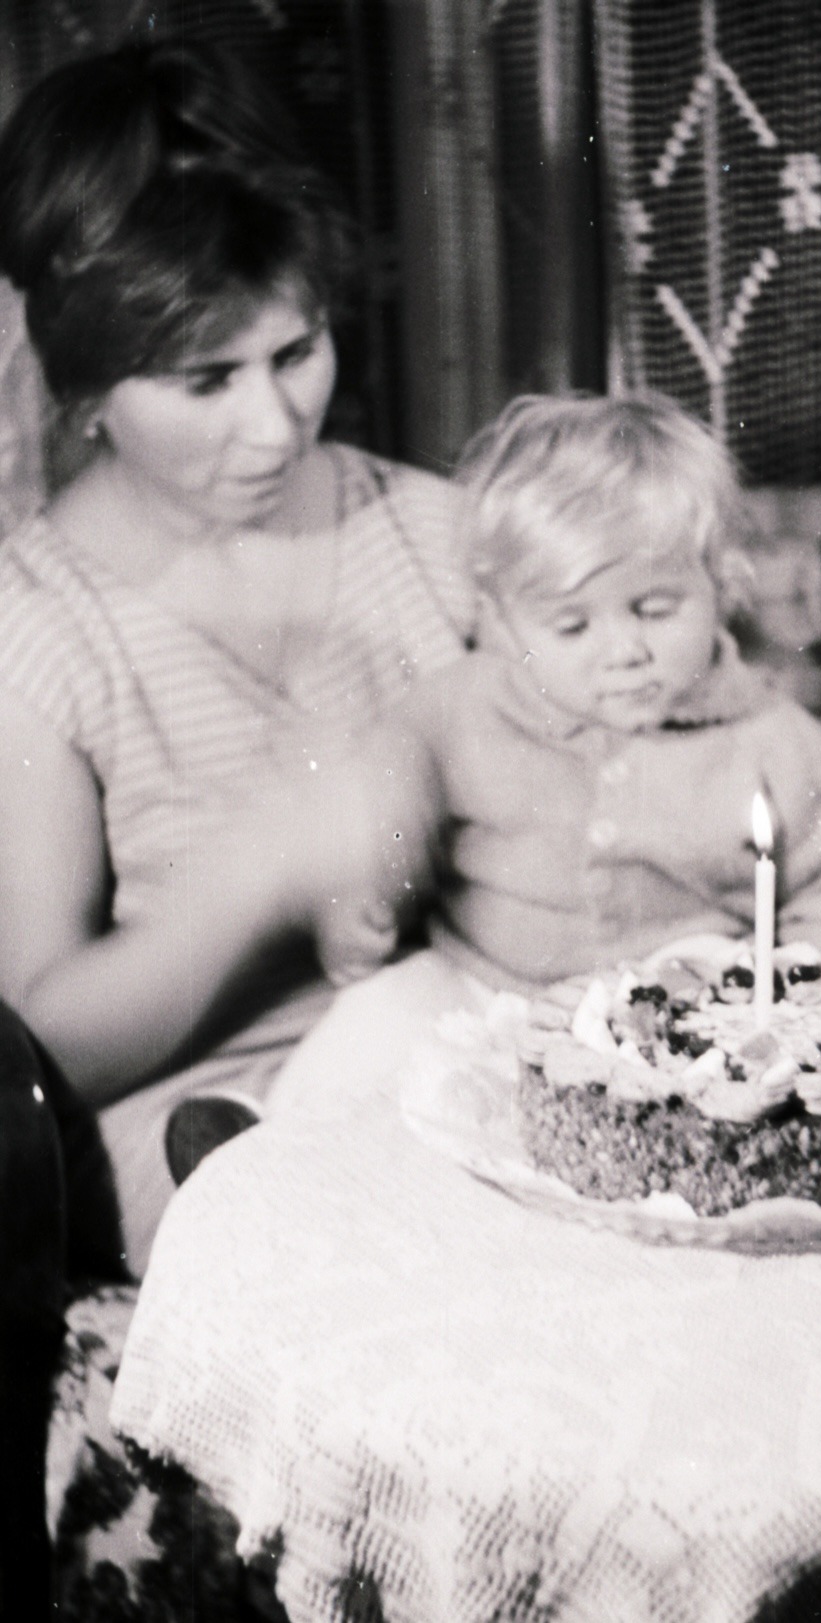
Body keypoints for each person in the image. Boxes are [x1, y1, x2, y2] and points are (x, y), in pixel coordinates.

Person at [0, 34, 473, 1283]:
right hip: (212, 1156)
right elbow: (34, 1051)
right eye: (206, 379)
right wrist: (261, 869)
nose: (275, 427)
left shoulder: (435, 536)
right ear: (88, 387)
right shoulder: (37, 631)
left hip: (462, 1071)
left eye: (297, 352)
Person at [312, 391, 821, 1003]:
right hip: (482, 997)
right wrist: (360, 893)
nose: (624, 650)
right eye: (572, 627)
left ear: (722, 587)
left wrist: (796, 983)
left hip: (678, 1030)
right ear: (504, 622)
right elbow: (384, 798)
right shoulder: (459, 707)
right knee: (369, 1025)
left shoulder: (770, 738)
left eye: (654, 610)